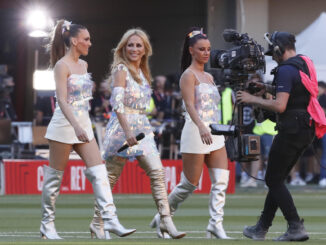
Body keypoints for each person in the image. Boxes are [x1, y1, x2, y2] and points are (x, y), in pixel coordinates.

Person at [41, 20, 136, 240]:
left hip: (84, 124)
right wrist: (76, 126)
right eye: (86, 39)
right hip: (64, 126)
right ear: (74, 41)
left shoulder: (83, 65)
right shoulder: (61, 66)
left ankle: (109, 220)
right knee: (54, 178)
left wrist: (84, 125)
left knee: (100, 172)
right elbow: (62, 101)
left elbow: (83, 101)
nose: (90, 43)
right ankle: (47, 224)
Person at [89, 28, 186, 239]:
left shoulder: (143, 72)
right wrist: (127, 131)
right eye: (130, 45)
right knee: (111, 178)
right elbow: (117, 104)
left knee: (157, 173)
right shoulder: (121, 69)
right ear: (124, 48)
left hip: (142, 126)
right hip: (122, 127)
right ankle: (97, 223)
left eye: (138, 45)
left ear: (145, 49)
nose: (134, 49)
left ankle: (165, 221)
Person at [237, 31, 326, 241]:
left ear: (279, 49)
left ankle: (295, 226)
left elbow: (280, 105)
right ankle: (261, 227)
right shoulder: (304, 63)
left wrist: (252, 98)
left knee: (272, 179)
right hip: (306, 128)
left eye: (273, 53)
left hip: (291, 129)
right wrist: (266, 87)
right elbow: (296, 92)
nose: (272, 57)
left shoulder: (285, 70)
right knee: (276, 179)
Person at [151, 27, 231, 239]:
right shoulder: (188, 75)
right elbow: (189, 105)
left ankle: (216, 225)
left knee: (221, 181)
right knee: (189, 184)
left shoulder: (209, 77)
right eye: (201, 49)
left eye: (208, 49)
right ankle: (164, 216)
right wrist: (202, 127)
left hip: (215, 131)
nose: (206, 53)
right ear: (191, 51)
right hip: (196, 131)